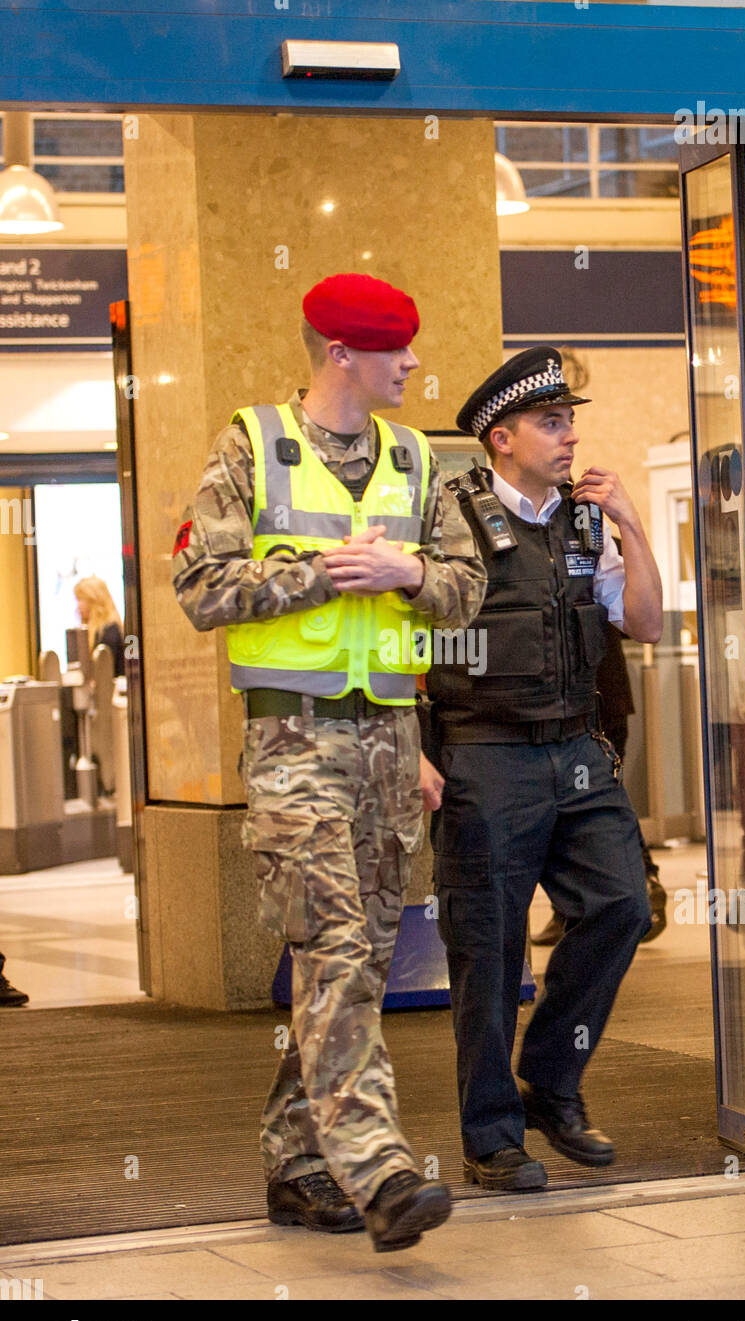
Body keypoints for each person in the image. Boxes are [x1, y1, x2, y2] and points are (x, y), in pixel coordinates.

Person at [172, 273, 486, 1251]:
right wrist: (317, 574)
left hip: (392, 748)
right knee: (335, 951)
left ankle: (300, 1164)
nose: (412, 363)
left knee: (347, 963)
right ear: (342, 355)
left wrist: (410, 573)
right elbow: (199, 585)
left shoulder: (413, 459)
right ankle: (379, 1171)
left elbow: (468, 588)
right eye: (396, 349)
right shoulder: (251, 446)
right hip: (293, 743)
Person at [424, 346, 663, 1192]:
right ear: (501, 438)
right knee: (486, 950)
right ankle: (492, 1137)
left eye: (569, 423)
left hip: (575, 750)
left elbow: (646, 624)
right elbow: (405, 640)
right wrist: (417, 753)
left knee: (622, 906)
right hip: (482, 753)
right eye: (550, 423)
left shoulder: (586, 520)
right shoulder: (448, 518)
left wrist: (633, 525)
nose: (567, 439)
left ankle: (551, 1083)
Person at [533, 595, 668, 947]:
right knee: (588, 801)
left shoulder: (595, 549)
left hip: (595, 703)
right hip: (586, 701)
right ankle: (574, 908)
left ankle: (640, 883)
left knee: (594, 801)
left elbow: (639, 623)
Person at [74, 577, 125, 677]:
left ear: (95, 600)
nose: (78, 606)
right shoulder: (100, 630)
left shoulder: (109, 632)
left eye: (81, 600)